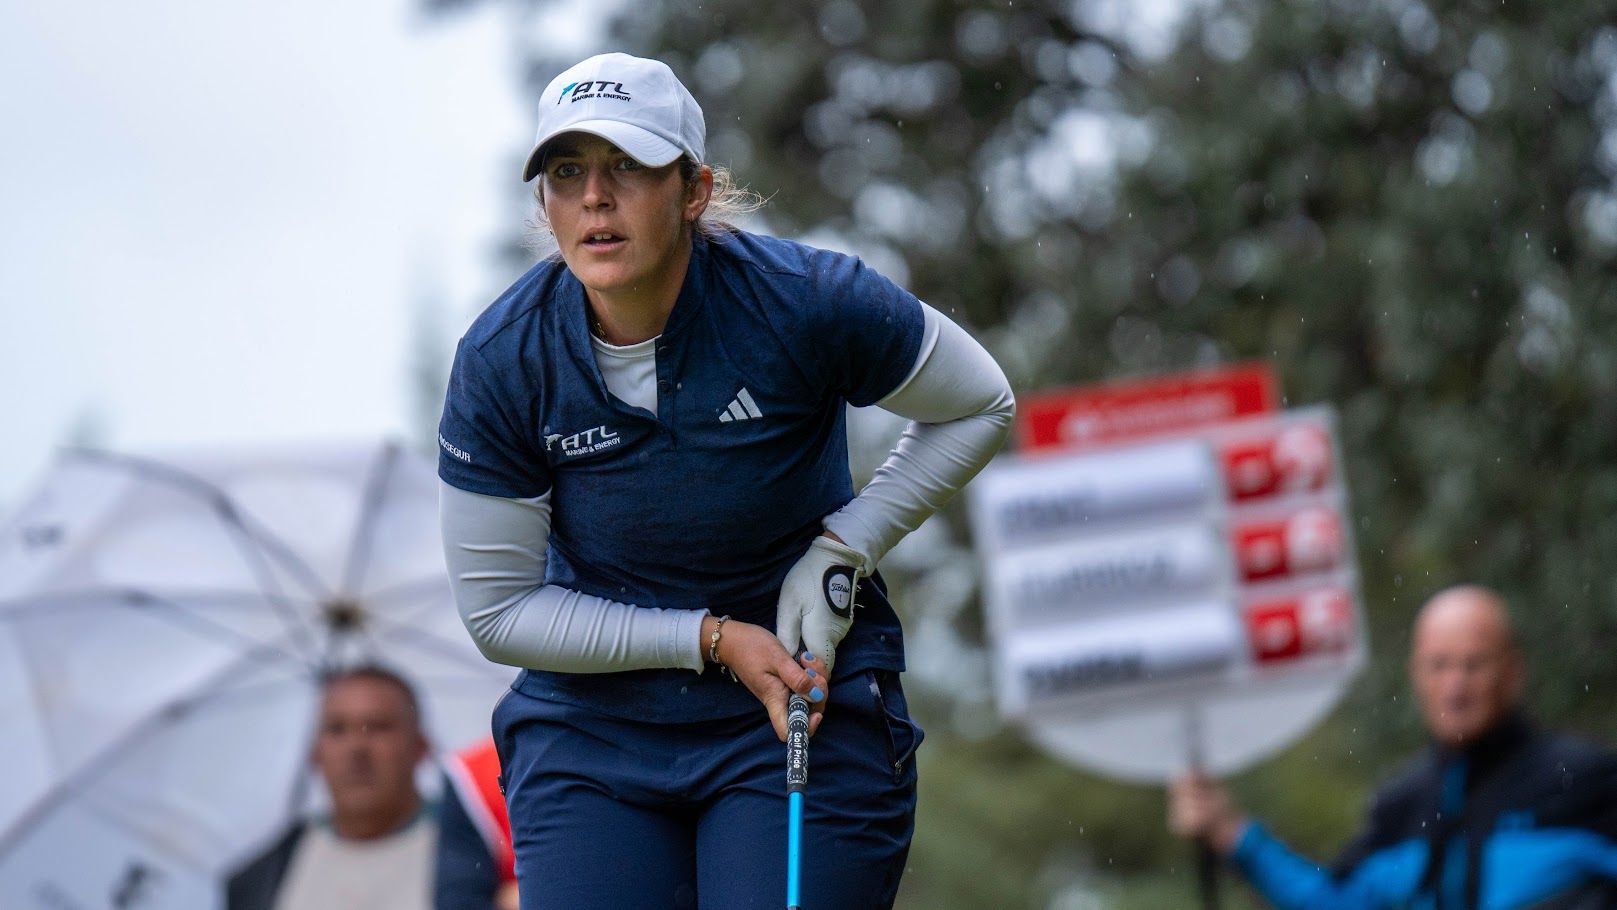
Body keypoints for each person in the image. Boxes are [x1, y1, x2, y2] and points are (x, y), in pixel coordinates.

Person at [436, 51, 1014, 909]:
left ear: (694, 189)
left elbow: (980, 403)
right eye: (567, 172)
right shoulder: (502, 360)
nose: (595, 196)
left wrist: (845, 546)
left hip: (795, 708)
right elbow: (499, 611)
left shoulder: (803, 301)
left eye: (626, 167)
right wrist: (708, 638)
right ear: (545, 203)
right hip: (592, 740)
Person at [1169, 585, 1617, 908]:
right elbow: (1336, 904)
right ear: (1416, 676)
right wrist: (1233, 835)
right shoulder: (1403, 804)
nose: (1455, 687)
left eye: (1474, 664)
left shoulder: (1582, 780)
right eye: (1439, 666)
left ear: (1513, 672)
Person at [226, 666, 436, 910]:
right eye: (337, 729)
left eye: (378, 727)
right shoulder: (260, 879)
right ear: (315, 752)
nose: (357, 747)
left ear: (420, 747)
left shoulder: (474, 859)